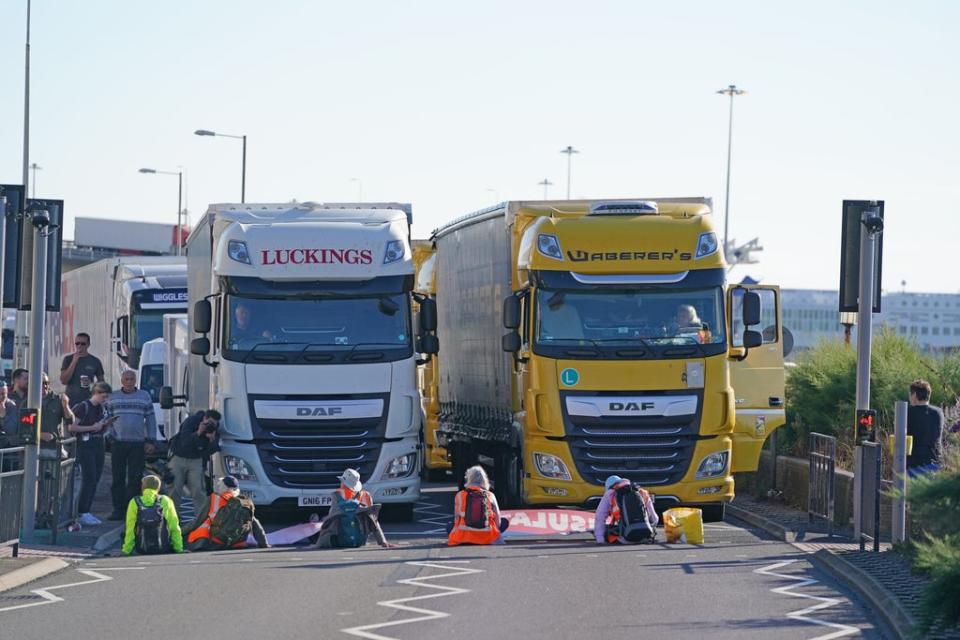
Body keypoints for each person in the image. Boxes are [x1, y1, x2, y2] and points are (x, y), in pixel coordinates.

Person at [105, 370, 158, 520]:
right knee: (118, 478)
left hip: (137, 443)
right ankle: (118, 510)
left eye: (132, 379)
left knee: (135, 478)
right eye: (126, 379)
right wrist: (109, 436)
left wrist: (151, 440)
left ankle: (132, 509)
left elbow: (151, 419)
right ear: (122, 381)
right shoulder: (113, 397)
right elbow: (106, 418)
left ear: (135, 380)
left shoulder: (144, 396)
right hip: (119, 443)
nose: (129, 382)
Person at [69, 382, 118, 526]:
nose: (105, 399)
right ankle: (82, 511)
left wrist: (106, 424)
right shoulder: (83, 407)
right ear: (96, 393)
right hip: (85, 444)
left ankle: (86, 510)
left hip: (98, 443)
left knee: (96, 477)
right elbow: (71, 426)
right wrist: (92, 427)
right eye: (104, 396)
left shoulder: (101, 408)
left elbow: (100, 427)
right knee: (89, 478)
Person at [312, 468, 392, 549]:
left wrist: (318, 544)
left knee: (319, 525)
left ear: (343, 483)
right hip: (360, 541)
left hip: (341, 541)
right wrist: (382, 541)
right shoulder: (365, 496)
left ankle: (314, 524)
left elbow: (331, 521)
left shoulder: (337, 495)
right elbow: (373, 521)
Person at [186, 476, 269, 551]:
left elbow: (197, 522)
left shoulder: (213, 499)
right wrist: (264, 544)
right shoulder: (244, 503)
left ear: (223, 486)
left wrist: (181, 531)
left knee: (199, 529)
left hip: (216, 543)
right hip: (238, 544)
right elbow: (255, 524)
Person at [168, 410, 221, 516]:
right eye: (208, 423)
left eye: (213, 424)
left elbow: (210, 451)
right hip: (179, 456)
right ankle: (172, 519)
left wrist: (211, 441)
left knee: (198, 490)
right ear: (204, 418)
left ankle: (201, 520)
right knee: (174, 489)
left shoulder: (214, 430)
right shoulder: (191, 421)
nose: (209, 426)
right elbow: (185, 443)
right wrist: (198, 433)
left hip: (196, 459)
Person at [447, 465, 509, 546]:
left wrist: (454, 533)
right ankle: (483, 538)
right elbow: (498, 518)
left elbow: (457, 519)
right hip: (488, 536)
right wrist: (496, 531)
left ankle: (468, 538)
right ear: (484, 479)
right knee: (505, 522)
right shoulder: (490, 495)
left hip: (463, 536)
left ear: (469, 479)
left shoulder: (460, 495)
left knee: (449, 525)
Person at [122, 475, 183, 555]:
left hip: (141, 549)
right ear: (158, 488)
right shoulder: (165, 500)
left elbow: (130, 529)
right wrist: (179, 549)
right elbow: (174, 527)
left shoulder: (134, 502)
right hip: (163, 548)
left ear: (143, 487)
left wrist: (126, 551)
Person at [594, 475, 658, 544]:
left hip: (625, 539)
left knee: (607, 531)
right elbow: (655, 519)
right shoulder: (641, 492)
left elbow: (600, 517)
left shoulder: (610, 494)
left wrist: (600, 539)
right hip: (645, 537)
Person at [907, 379, 944, 476]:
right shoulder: (938, 413)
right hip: (934, 463)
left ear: (914, 395)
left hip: (914, 465)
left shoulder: (908, 413)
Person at [59, 332, 105, 406]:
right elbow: (63, 381)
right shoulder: (68, 359)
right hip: (70, 403)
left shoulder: (95, 361)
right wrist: (74, 362)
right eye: (77, 343)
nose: (79, 346)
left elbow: (102, 384)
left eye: (83, 344)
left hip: (88, 403)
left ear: (88, 345)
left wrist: (91, 383)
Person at [40, 373, 75, 460]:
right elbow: (22, 429)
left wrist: (65, 406)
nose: (44, 386)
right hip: (34, 449)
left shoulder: (57, 399)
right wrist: (39, 435)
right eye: (41, 383)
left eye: (46, 383)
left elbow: (70, 421)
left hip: (55, 448)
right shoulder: (27, 402)